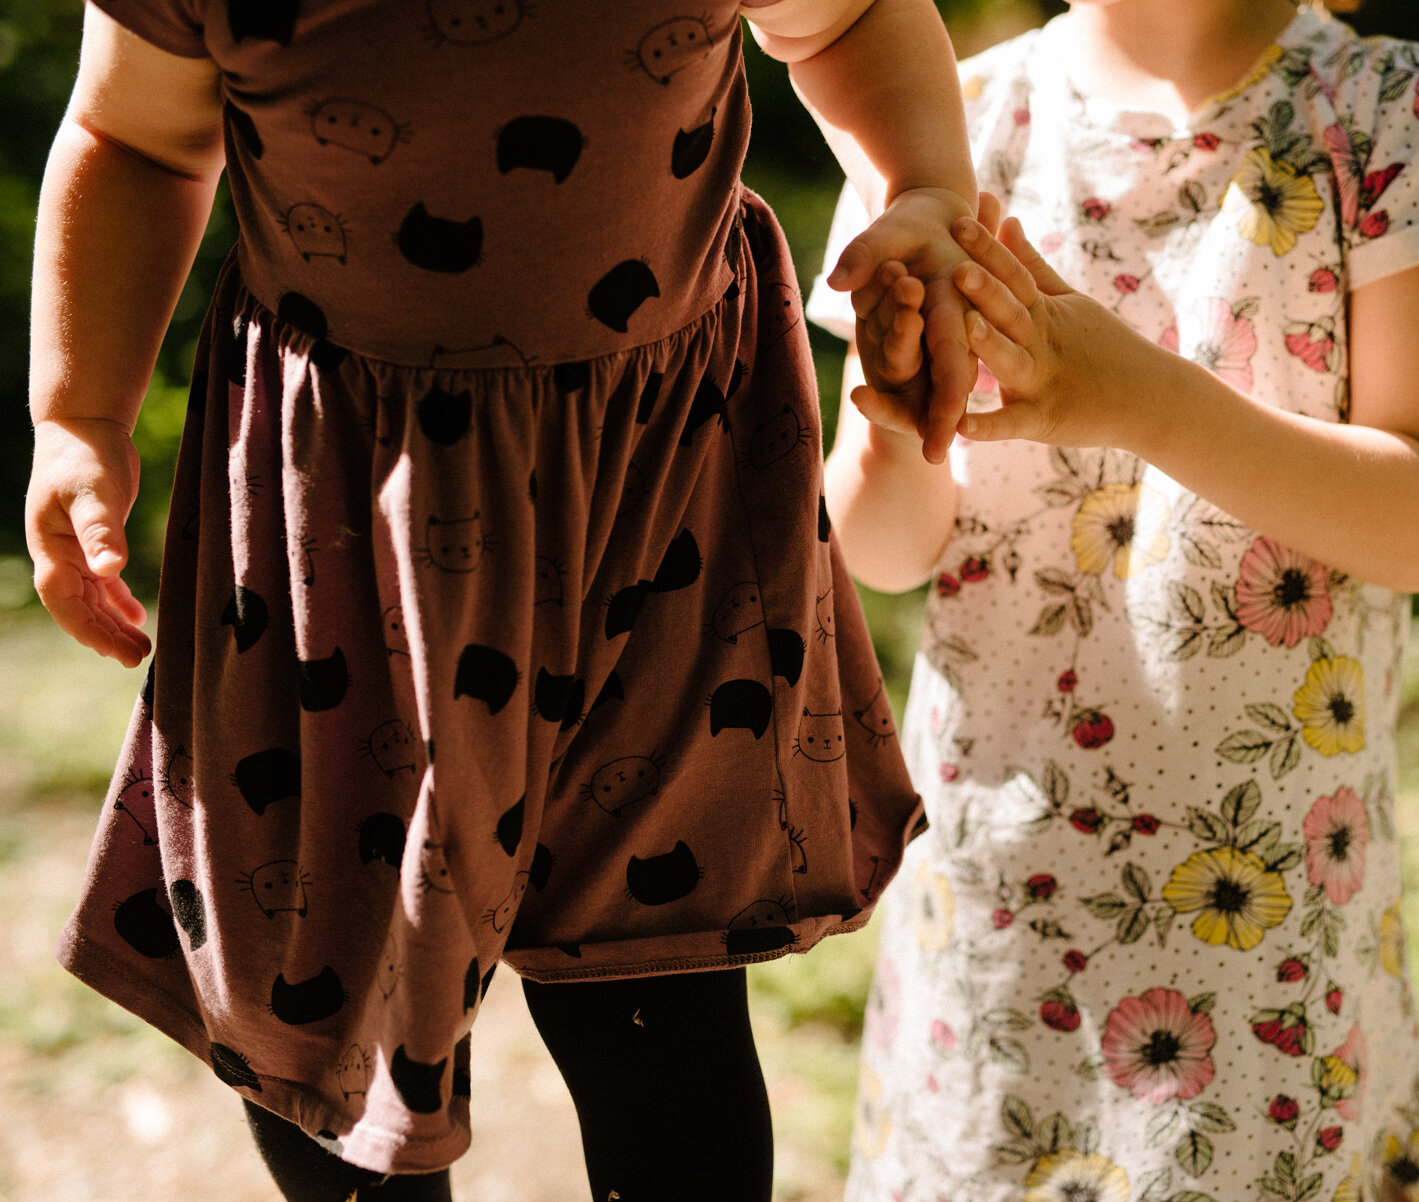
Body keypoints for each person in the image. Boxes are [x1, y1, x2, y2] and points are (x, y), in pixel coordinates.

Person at [24, 0, 978, 1197]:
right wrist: (79, 416)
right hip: (351, 518)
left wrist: (923, 183)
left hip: (661, 484)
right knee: (321, 985)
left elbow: (848, 20)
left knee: (658, 986)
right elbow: (139, 140)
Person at [807, 0, 1419, 1198]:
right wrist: (898, 426)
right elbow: (882, 546)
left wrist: (1142, 400)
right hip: (1001, 892)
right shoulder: (941, 124)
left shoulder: (1403, 114)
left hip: (1265, 926)